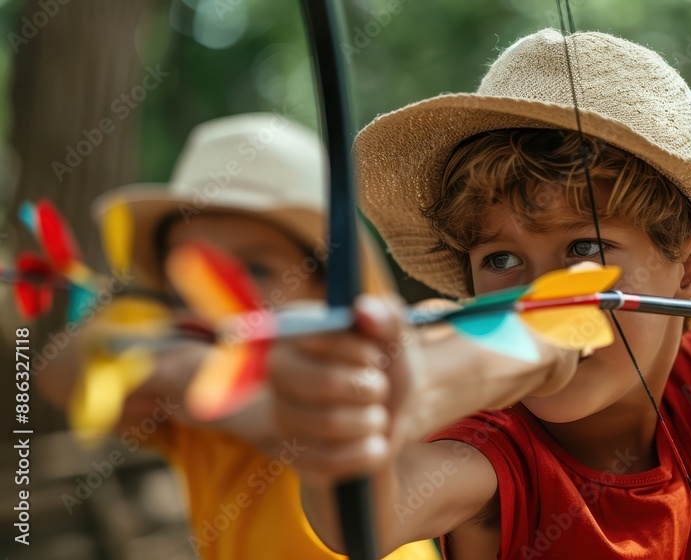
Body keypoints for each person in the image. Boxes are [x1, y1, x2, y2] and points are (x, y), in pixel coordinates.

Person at [271, 29, 691, 559]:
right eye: (501, 259)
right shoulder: (496, 448)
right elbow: (366, 513)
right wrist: (358, 413)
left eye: (584, 246)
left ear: (690, 267)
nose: (538, 296)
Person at [39, 113, 440, 560]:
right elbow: (57, 369)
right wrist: (169, 366)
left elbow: (288, 420)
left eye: (254, 268)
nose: (215, 296)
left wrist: (186, 378)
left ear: (327, 288)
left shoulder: (347, 376)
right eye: (192, 273)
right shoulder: (185, 403)